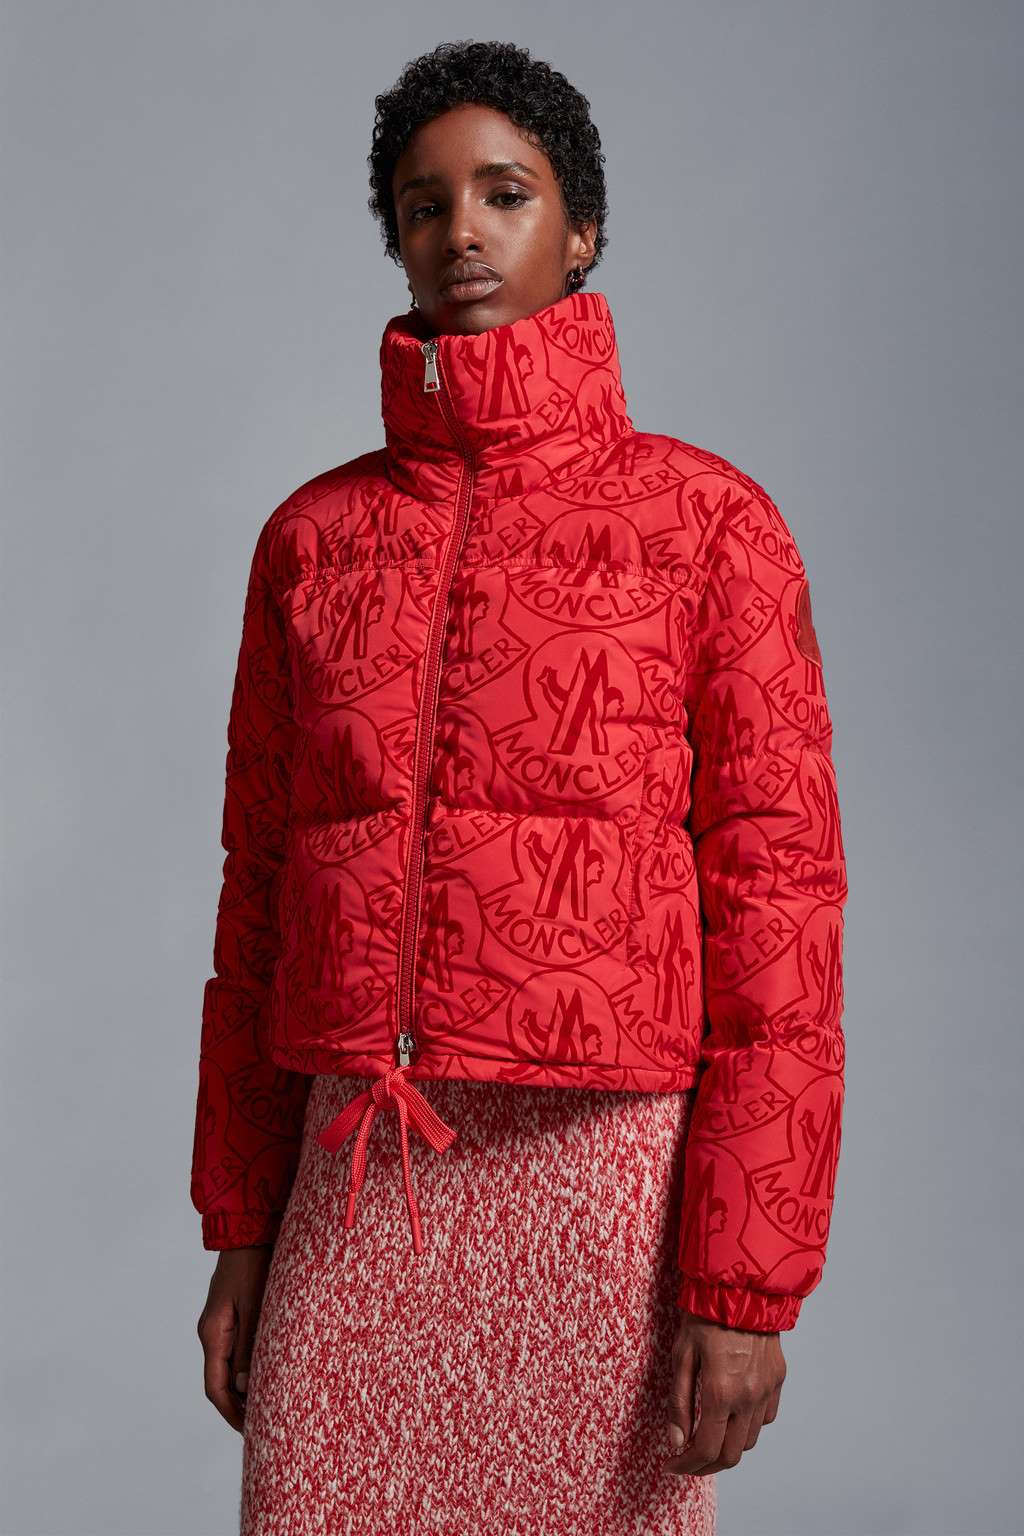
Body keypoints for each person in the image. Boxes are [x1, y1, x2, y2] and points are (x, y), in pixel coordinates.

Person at [192, 39, 847, 1536]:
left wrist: (745, 1280)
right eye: (424, 205)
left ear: (582, 228)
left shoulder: (711, 526)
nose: (463, 233)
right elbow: (259, 900)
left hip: (605, 1187)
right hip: (360, 1169)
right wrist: (242, 1228)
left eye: (506, 193)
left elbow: (780, 915)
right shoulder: (313, 543)